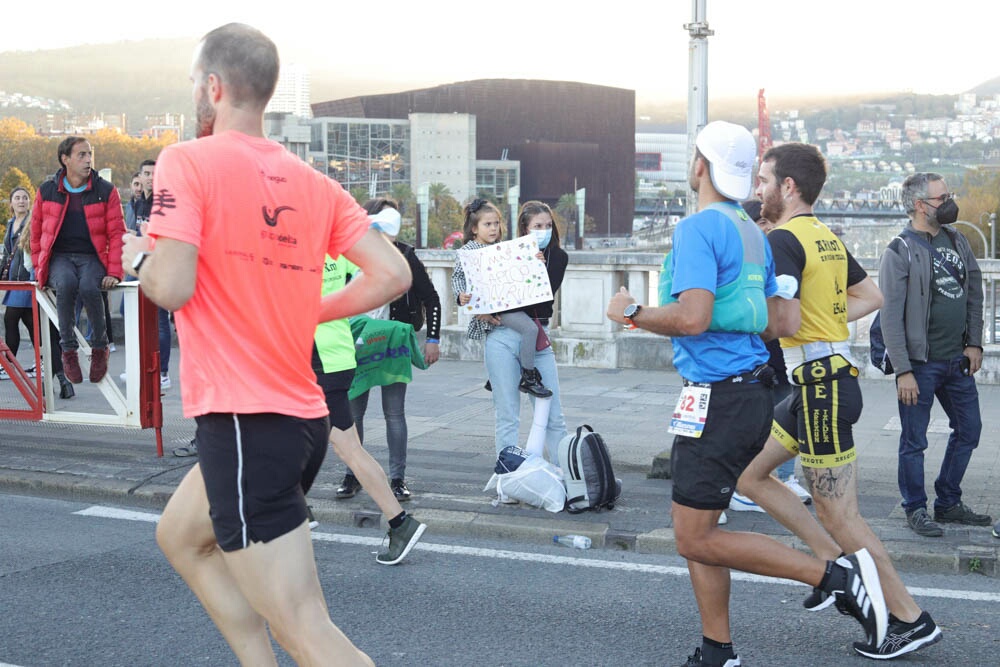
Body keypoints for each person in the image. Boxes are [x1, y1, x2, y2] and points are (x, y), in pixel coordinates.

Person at [121, 23, 410, 665]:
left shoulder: (185, 160)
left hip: (246, 421)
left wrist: (140, 259)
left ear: (213, 87)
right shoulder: (314, 183)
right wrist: (313, 307)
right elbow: (393, 274)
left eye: (195, 83)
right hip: (296, 420)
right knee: (181, 537)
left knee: (305, 627)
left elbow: (169, 286)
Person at [606, 122, 887, 667]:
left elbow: (691, 318)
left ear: (700, 167)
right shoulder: (754, 231)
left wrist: (632, 314)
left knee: (692, 537)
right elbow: (781, 319)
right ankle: (718, 649)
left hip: (719, 398)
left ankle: (834, 574)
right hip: (750, 391)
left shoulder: (698, 229)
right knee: (704, 526)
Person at [736, 142, 941, 660]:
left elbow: (770, 318)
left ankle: (911, 619)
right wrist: (825, 326)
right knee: (750, 476)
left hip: (822, 391)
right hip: (817, 386)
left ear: (788, 187)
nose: (757, 190)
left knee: (841, 514)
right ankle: (834, 567)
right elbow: (871, 297)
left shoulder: (782, 238)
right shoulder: (823, 235)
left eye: (763, 180)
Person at [879, 172, 990, 537]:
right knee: (915, 440)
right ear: (919, 205)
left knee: (970, 429)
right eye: (942, 198)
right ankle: (915, 507)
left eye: (948, 195)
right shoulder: (899, 250)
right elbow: (891, 316)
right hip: (920, 366)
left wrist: (974, 342)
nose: (949, 202)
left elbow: (974, 292)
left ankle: (948, 501)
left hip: (957, 361)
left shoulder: (957, 240)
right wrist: (903, 371)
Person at [314, 249, 427, 563]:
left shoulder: (296, 244)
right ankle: (399, 523)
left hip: (316, 358)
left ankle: (291, 510)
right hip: (336, 353)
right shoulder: (337, 248)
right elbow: (388, 274)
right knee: (345, 445)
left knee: (281, 432)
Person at [339, 198, 442, 502]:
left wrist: (433, 339)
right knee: (353, 412)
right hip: (354, 341)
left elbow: (431, 298)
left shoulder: (406, 255)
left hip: (394, 340)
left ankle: (397, 479)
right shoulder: (350, 255)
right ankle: (352, 474)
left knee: (394, 412)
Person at [454, 200, 569, 463]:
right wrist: (479, 306)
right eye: (537, 226)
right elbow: (474, 284)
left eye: (548, 225)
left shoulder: (556, 257)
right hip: (502, 336)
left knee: (553, 415)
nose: (544, 230)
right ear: (524, 229)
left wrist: (532, 266)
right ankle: (508, 477)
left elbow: (542, 298)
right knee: (506, 414)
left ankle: (568, 478)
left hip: (537, 336)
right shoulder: (503, 253)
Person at [727, 200, 811, 511]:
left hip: (783, 353)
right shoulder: (742, 259)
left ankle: (785, 478)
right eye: (760, 223)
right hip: (752, 356)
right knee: (754, 422)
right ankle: (745, 484)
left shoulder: (782, 252)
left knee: (787, 417)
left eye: (768, 223)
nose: (766, 228)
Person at [30, 136, 125, 385]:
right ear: (65, 159)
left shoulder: (105, 190)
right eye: (81, 155)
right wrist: (40, 269)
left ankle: (100, 348)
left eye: (89, 154)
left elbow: (117, 233)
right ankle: (68, 351)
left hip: (91, 256)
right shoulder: (47, 189)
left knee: (88, 287)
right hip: (59, 256)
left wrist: (114, 272)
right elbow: (36, 233)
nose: (88, 160)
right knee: (66, 284)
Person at [452, 199, 552, 398]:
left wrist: (535, 259)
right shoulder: (467, 253)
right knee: (530, 329)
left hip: (505, 303)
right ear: (474, 228)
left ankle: (498, 377)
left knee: (527, 331)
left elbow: (519, 273)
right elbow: (457, 277)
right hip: (494, 307)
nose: (493, 228)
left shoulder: (504, 248)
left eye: (496, 224)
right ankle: (529, 377)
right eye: (487, 224)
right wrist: (460, 296)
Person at [1, 187, 75, 398]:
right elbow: (8, 254)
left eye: (25, 197)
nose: (21, 201)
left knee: (11, 319)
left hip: (29, 280)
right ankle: (60, 377)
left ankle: (8, 365)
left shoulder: (32, 223)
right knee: (38, 332)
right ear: (11, 203)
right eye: (17, 198)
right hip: (17, 282)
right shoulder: (10, 224)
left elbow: (31, 254)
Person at [132, 158, 173, 390]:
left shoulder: (163, 201)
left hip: (160, 265)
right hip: (141, 264)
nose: (149, 177)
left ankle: (164, 372)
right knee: (139, 318)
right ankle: (144, 366)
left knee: (159, 320)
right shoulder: (140, 202)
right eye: (146, 173)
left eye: (153, 173)